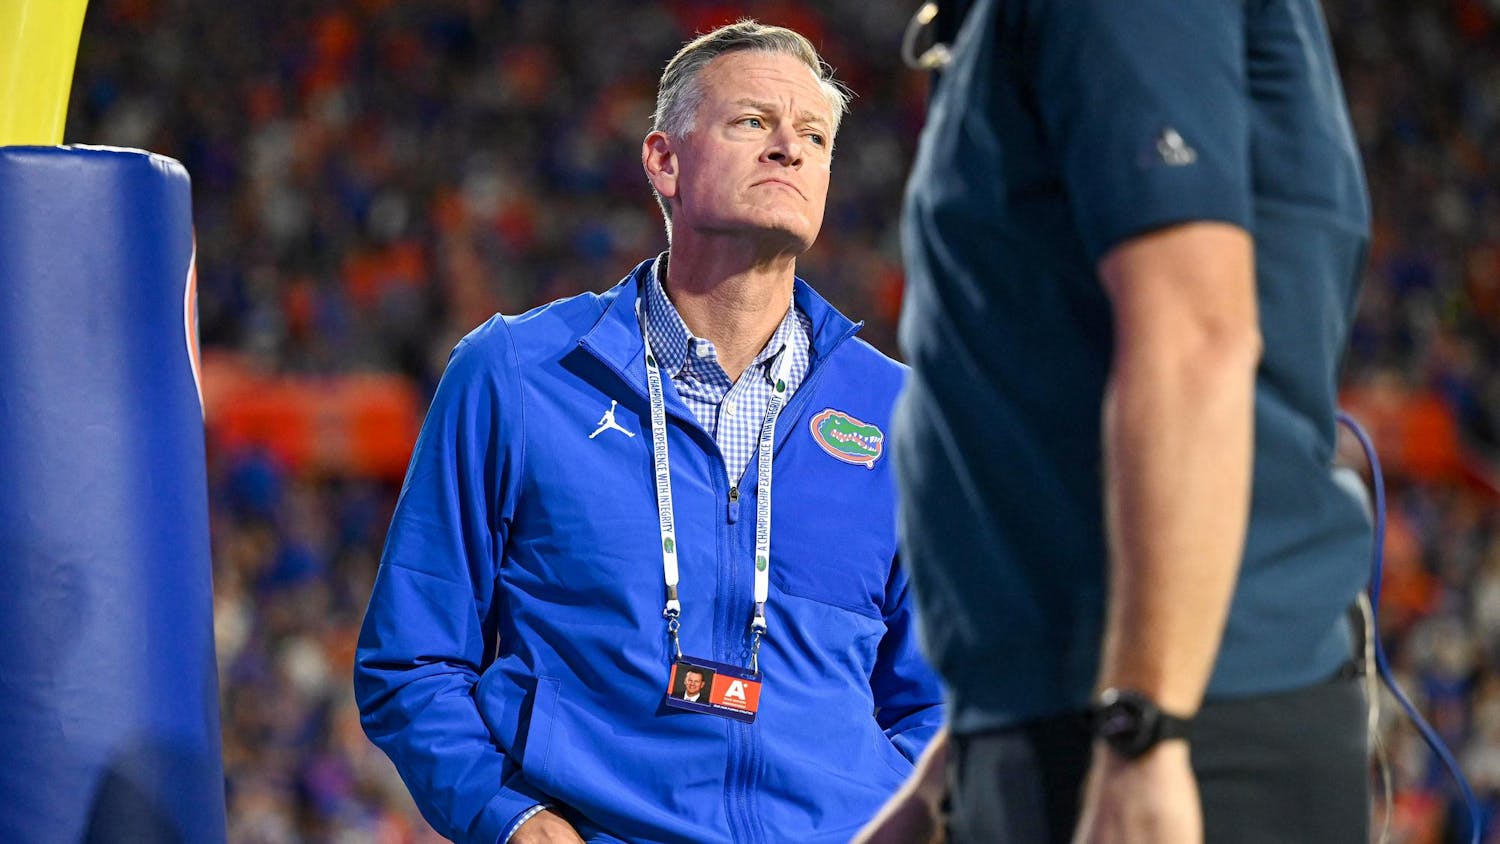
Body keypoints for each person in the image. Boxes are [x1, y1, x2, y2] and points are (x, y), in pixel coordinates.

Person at [354, 20, 943, 844]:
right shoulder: (517, 374)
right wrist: (510, 819)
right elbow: (410, 662)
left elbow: (938, 700)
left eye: (813, 135)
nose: (789, 149)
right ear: (664, 161)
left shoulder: (903, 416)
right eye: (752, 123)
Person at [862, 1, 1374, 842]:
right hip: (1075, 708)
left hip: (1180, 722)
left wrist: (1148, 726)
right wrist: (966, 763)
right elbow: (1050, 385)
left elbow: (1194, 339)